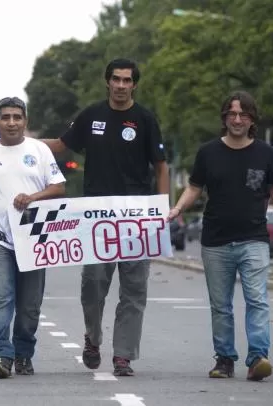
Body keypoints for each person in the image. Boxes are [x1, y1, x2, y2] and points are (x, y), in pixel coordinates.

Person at [42, 58, 168, 376]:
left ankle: (123, 355)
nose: (121, 85)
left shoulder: (145, 119)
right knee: (94, 284)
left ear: (134, 84)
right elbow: (59, 145)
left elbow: (161, 165)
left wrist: (163, 209)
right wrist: (17, 143)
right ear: (107, 81)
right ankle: (93, 338)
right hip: (96, 217)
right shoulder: (91, 116)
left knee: (134, 289)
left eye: (127, 80)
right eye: (116, 79)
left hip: (137, 219)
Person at [169, 91, 273, 381]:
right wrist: (177, 207)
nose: (238, 120)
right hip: (216, 240)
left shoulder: (265, 152)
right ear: (224, 118)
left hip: (254, 239)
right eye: (232, 114)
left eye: (244, 115)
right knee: (220, 305)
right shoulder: (208, 152)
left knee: (258, 300)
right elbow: (195, 187)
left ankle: (257, 357)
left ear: (252, 120)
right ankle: (224, 359)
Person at [0, 97, 66, 378]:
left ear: (25, 121)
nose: (11, 122)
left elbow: (59, 188)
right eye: (5, 117)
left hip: (34, 239)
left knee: (30, 305)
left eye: (17, 117)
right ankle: (1, 356)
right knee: (0, 298)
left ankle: (23, 354)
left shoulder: (40, 150)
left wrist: (33, 197)